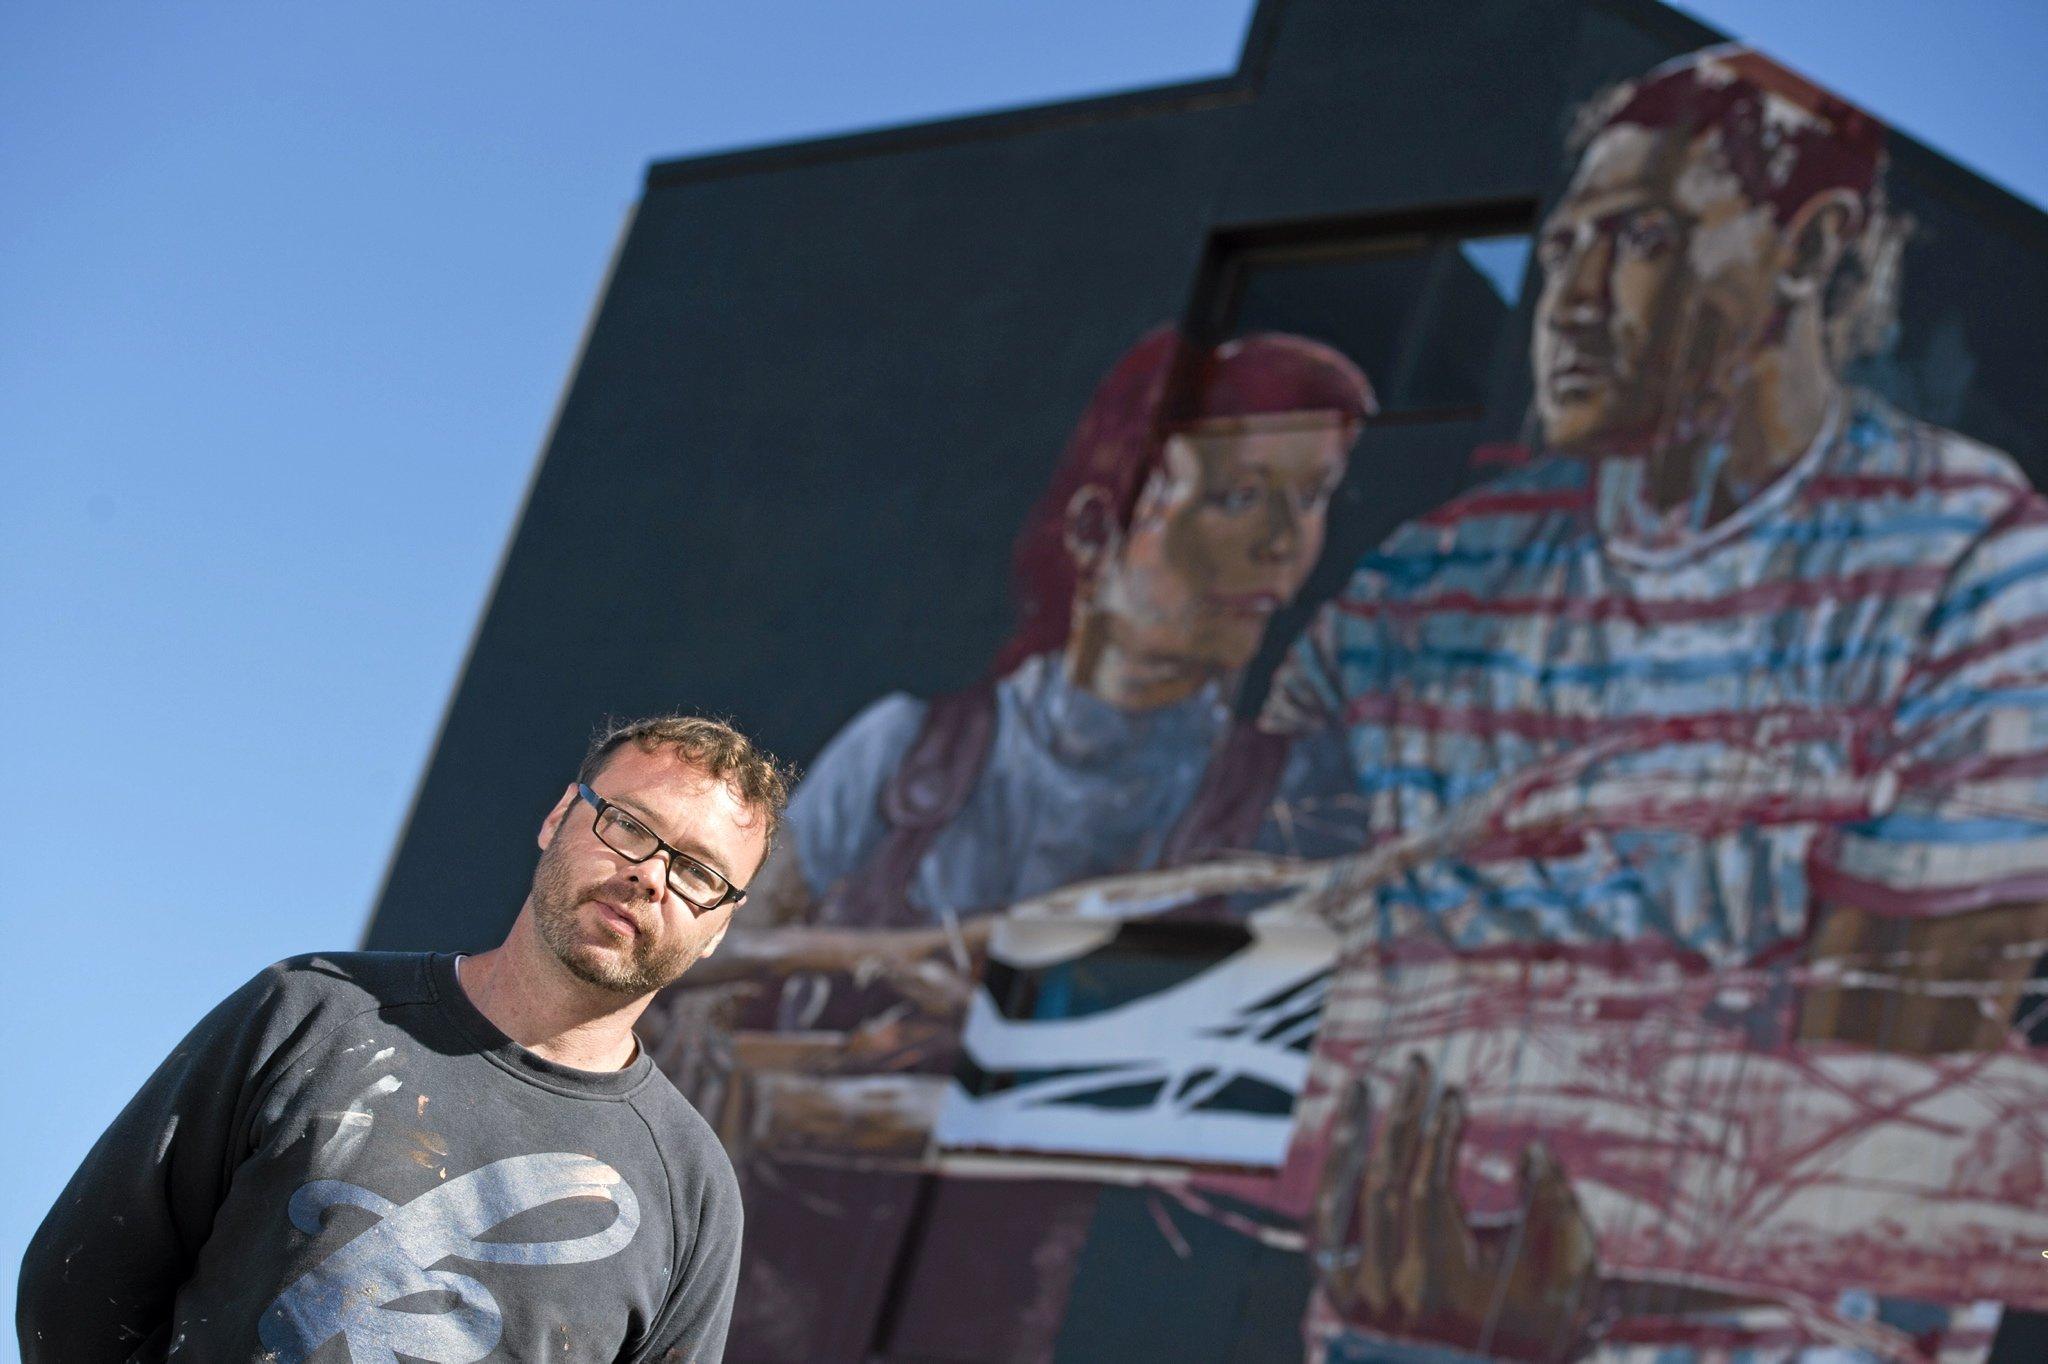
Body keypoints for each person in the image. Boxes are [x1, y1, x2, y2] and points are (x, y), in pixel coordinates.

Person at [1264, 45, 2048, 1363]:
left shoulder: (1973, 574)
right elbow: (1244, 980)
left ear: (1811, 245)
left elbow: (1888, 1139)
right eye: (1557, 249)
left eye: (1634, 239)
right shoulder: (1417, 594)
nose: (1564, 301)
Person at [641, 325, 1374, 1362]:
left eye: (1311, 500)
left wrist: (986, 1015)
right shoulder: (903, 755)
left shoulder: (1290, 798)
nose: (1279, 545)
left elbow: (1263, 1076)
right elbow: (696, 981)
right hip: (762, 1306)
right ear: (1094, 524)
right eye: (1237, 495)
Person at [18, 713, 791, 1364]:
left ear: (721, 925)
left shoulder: (691, 1190)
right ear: (560, 816)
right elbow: (78, 1291)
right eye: (628, 825)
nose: (651, 875)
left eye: (699, 872)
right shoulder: (310, 1012)